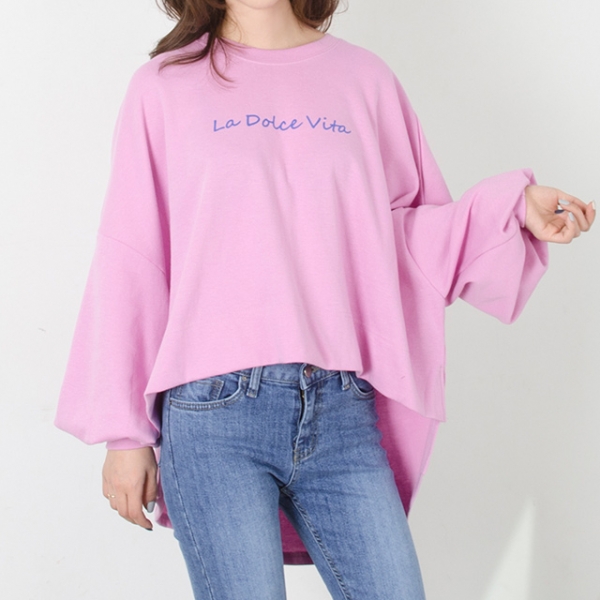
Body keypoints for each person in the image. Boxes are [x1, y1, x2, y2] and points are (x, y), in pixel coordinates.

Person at [54, 1, 596, 599]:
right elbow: (133, 257)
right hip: (212, 417)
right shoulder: (163, 87)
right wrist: (125, 434)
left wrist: (511, 209)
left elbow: (397, 242)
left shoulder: (364, 79)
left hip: (340, 411)